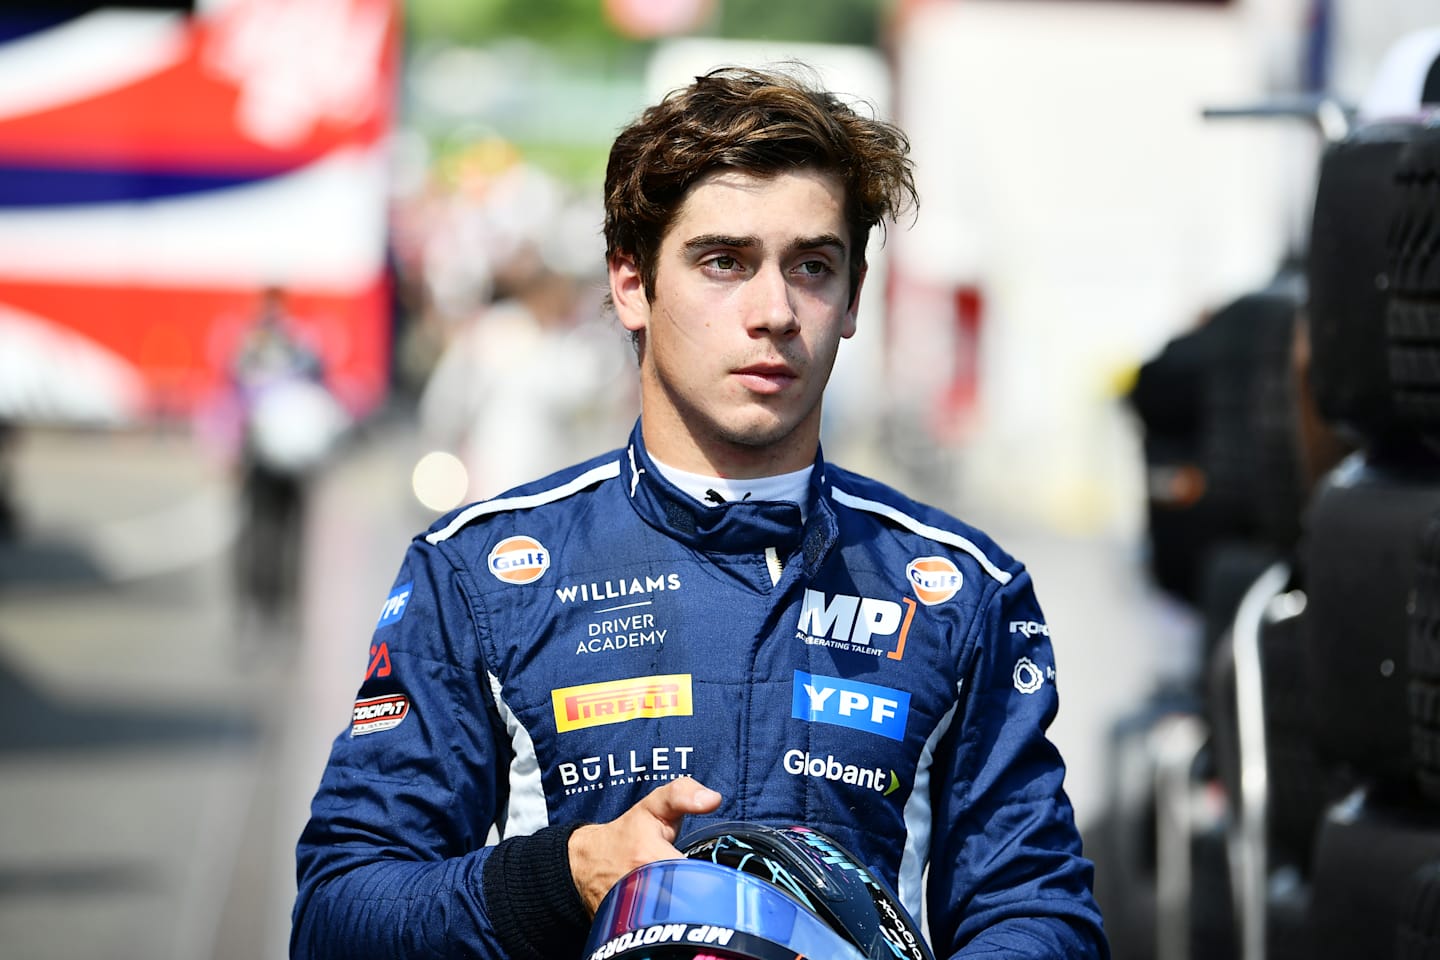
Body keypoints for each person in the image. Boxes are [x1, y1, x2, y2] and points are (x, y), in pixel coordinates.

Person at [291, 65, 1108, 959]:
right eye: (724, 261)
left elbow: (1039, 916)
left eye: (813, 267)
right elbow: (338, 915)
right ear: (633, 284)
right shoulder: (478, 576)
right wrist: (564, 877)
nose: (774, 312)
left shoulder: (966, 595)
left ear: (853, 300)